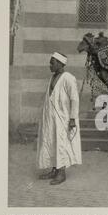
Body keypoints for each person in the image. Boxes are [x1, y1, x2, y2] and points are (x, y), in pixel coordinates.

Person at [36, 52, 82, 185]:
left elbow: (74, 99)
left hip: (63, 118)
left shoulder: (68, 78)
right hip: (51, 118)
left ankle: (61, 173)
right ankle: (54, 169)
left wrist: (73, 118)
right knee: (51, 141)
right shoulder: (52, 78)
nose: (50, 65)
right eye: (50, 62)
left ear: (61, 63)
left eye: (52, 62)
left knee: (61, 144)